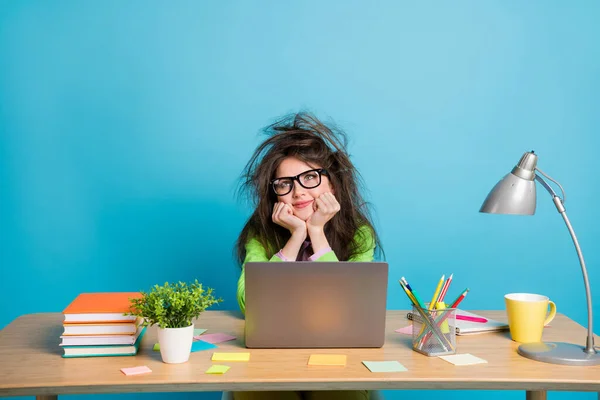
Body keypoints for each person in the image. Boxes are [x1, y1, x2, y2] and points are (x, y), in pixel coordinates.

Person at [234, 112, 383, 400]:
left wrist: (316, 231)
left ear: (332, 185)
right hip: (272, 349)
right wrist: (295, 238)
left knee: (337, 395)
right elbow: (249, 304)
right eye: (284, 184)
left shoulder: (359, 232)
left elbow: (349, 306)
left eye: (310, 178)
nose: (298, 192)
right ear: (276, 194)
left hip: (336, 349)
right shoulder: (260, 232)